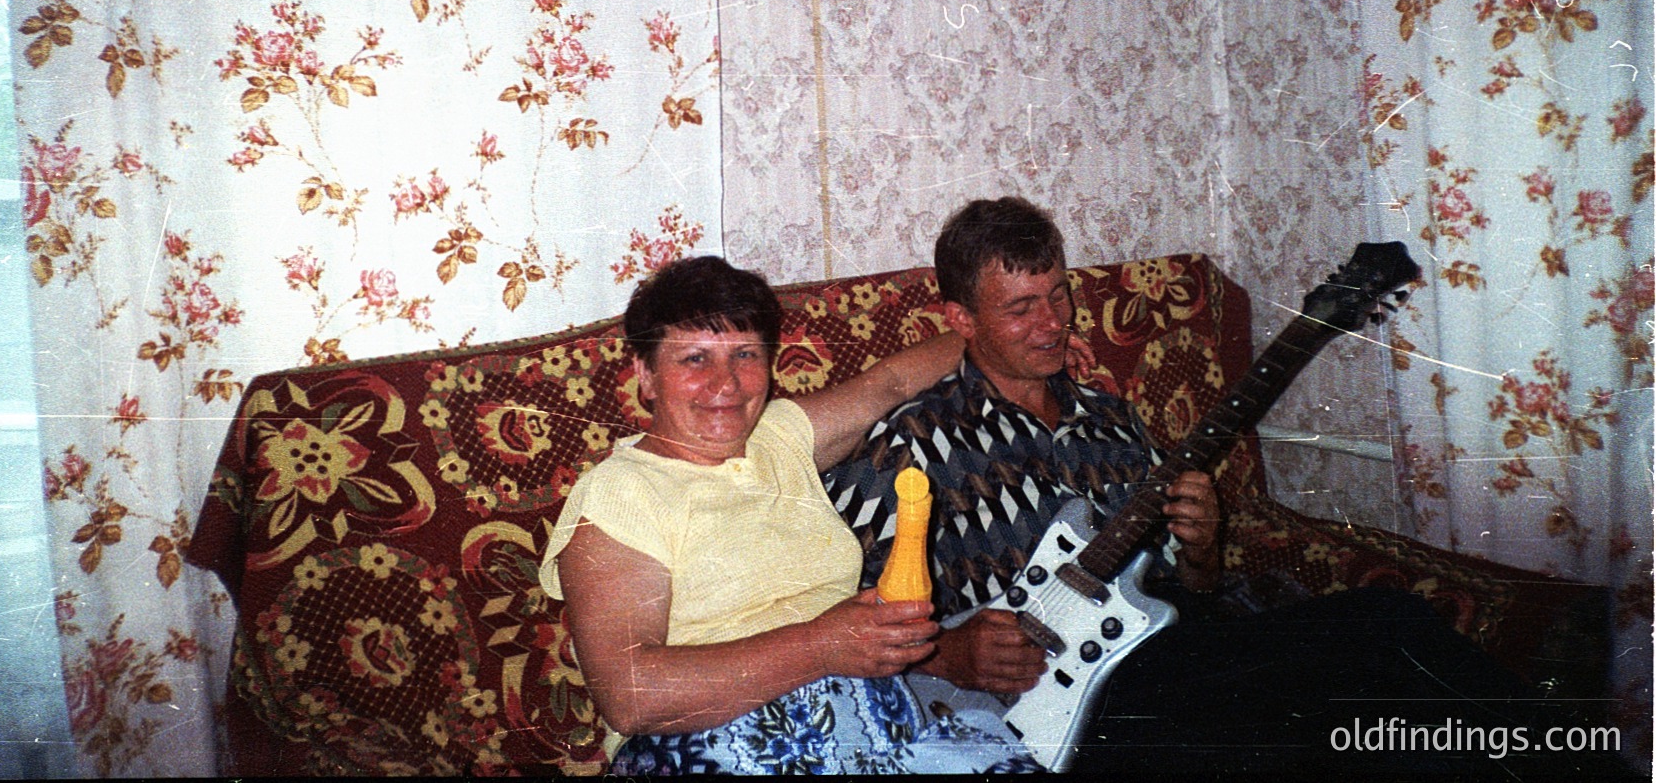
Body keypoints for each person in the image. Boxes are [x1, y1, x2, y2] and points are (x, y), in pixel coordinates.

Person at [825, 197, 1618, 779]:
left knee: (1380, 698)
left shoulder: (1110, 420)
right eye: (1021, 308)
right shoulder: (912, 442)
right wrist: (952, 653)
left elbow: (1185, 591)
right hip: (1056, 715)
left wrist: (1202, 552)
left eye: (1060, 295)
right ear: (961, 319)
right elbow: (832, 605)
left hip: (1171, 663)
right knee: (1378, 633)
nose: (1054, 323)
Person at [539, 255, 1041, 774]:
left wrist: (1018, 344)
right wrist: (821, 646)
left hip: (879, 735)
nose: (725, 383)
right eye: (694, 359)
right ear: (646, 376)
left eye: (745, 354)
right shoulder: (621, 492)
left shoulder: (778, 436)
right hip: (718, 751)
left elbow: (890, 384)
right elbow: (630, 695)